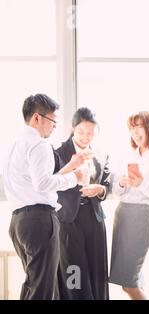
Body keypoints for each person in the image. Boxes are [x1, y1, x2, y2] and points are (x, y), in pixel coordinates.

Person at [2, 94, 84, 300]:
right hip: (39, 221)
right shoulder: (39, 145)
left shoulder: (14, 144)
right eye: (52, 121)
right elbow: (43, 183)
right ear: (37, 118)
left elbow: (34, 182)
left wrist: (69, 169)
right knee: (43, 289)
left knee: (33, 284)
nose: (54, 126)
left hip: (19, 222)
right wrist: (74, 178)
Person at [109, 111, 149, 300]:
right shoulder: (127, 155)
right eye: (132, 128)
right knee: (129, 280)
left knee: (130, 283)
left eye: (140, 127)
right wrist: (121, 183)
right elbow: (115, 191)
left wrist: (140, 184)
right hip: (122, 215)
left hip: (141, 216)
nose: (135, 132)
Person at [55, 107, 111, 300]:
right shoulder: (59, 153)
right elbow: (49, 183)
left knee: (98, 273)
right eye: (81, 132)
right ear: (73, 128)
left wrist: (100, 190)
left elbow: (107, 183)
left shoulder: (100, 154)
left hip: (94, 220)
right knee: (74, 274)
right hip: (68, 220)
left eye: (90, 133)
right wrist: (71, 167)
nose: (86, 137)